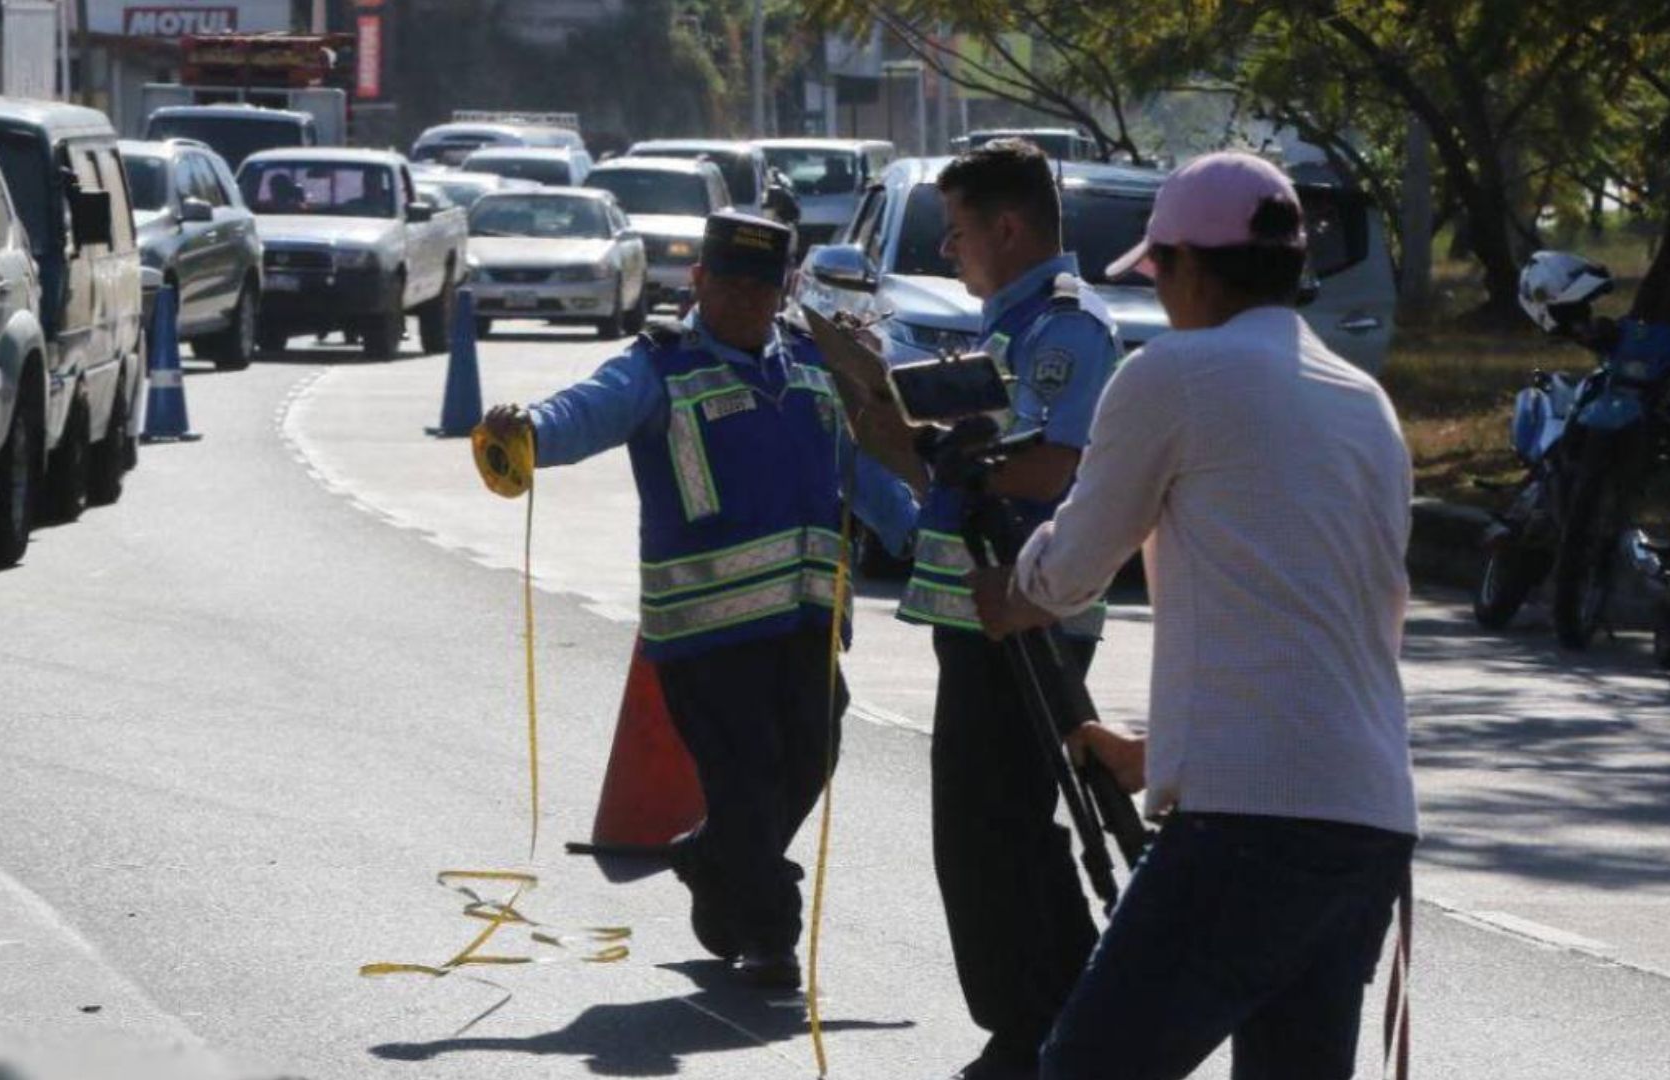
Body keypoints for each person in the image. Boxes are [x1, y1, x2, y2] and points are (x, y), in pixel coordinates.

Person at [970, 152, 1418, 1080]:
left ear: (1187, 265)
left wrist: (1010, 593)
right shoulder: (1363, 401)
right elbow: (1323, 623)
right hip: (1367, 816)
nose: (1162, 296)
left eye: (1160, 273)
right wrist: (1165, 752)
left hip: (1253, 827)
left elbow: (1068, 573)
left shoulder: (1175, 373)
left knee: (1087, 1067)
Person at [479, 211, 916, 990]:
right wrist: (528, 432)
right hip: (705, 637)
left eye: (764, 284)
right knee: (747, 778)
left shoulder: (818, 365)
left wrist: (925, 532)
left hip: (810, 627)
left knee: (810, 763)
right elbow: (584, 410)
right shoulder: (659, 368)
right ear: (699, 281)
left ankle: (714, 856)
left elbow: (868, 473)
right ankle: (769, 934)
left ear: (785, 288)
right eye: (732, 282)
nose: (747, 298)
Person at [896, 141, 1121, 1080]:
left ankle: (1047, 1028)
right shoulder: (1009, 326)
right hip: (981, 616)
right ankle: (1042, 1024)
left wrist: (936, 442)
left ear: (1009, 227)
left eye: (956, 234)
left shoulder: (1066, 331)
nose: (951, 254)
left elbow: (1046, 466)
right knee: (989, 830)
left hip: (1029, 619)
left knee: (1005, 832)